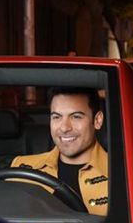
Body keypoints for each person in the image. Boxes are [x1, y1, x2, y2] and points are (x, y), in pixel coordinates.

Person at [10, 87, 109, 215]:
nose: (64, 128)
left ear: (97, 120)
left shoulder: (121, 174)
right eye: (57, 117)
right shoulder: (21, 167)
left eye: (76, 117)